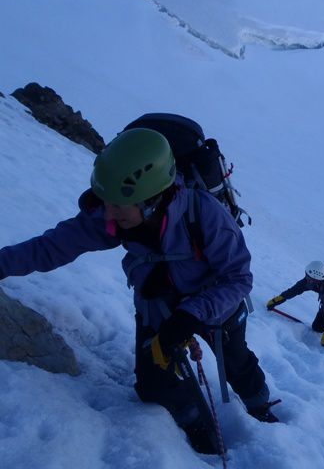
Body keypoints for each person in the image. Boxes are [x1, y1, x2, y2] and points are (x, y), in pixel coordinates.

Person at [0, 128, 277, 454]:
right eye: (106, 203)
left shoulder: (205, 215)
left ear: (151, 199)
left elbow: (239, 278)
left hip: (217, 302)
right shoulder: (113, 215)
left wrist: (191, 315)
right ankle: (196, 425)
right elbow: (52, 247)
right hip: (157, 304)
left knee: (236, 361)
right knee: (153, 384)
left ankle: (260, 407)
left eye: (118, 206)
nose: (109, 212)